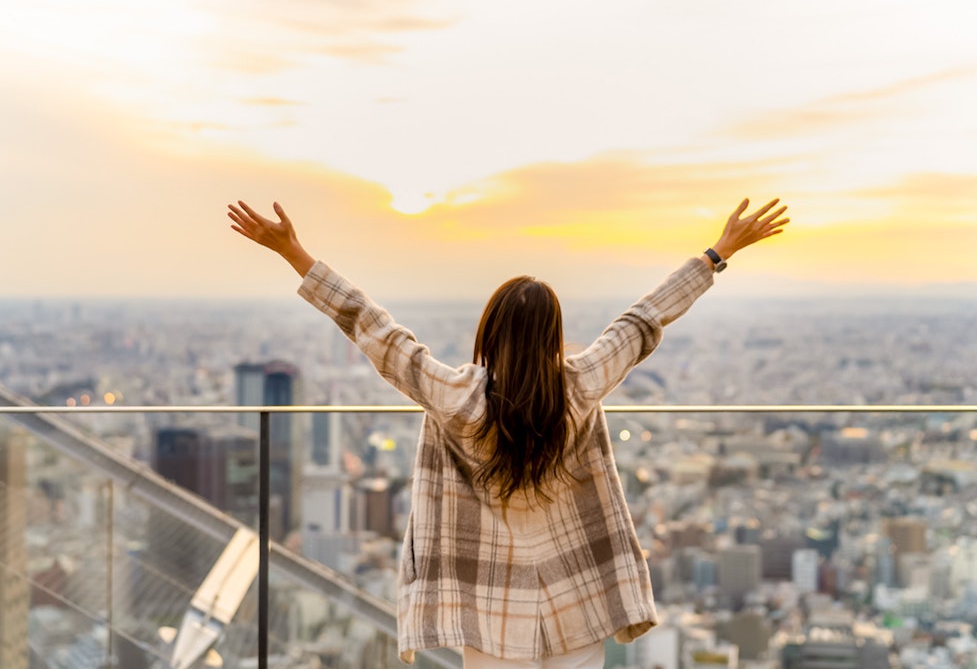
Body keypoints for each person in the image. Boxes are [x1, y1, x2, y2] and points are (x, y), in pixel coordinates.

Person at [228, 197, 789, 668]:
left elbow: (375, 330)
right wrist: (718, 254)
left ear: (490, 330)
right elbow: (642, 321)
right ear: (555, 333)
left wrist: (293, 254)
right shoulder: (581, 385)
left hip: (490, 610)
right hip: (576, 600)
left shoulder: (454, 398)